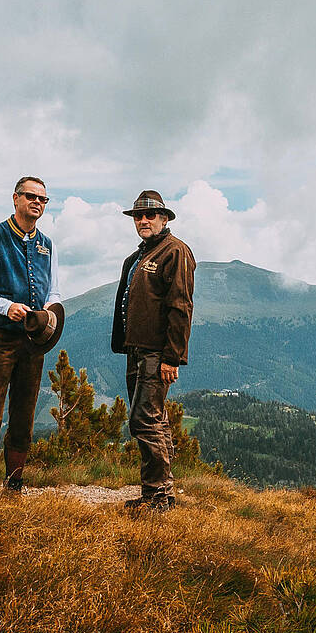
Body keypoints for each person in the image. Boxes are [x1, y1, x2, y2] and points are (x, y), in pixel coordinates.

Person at [0, 176, 62, 490]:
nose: (37, 202)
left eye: (43, 199)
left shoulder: (47, 245)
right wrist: (5, 307)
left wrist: (50, 313)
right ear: (16, 199)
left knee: (24, 413)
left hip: (34, 342)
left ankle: (14, 485)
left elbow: (55, 292)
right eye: (31, 196)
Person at [112, 190, 196, 512]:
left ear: (164, 218)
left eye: (149, 215)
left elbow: (180, 307)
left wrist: (172, 358)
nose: (143, 220)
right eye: (138, 216)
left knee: (143, 421)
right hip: (136, 351)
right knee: (153, 419)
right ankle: (157, 494)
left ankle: (159, 496)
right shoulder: (137, 257)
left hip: (156, 354)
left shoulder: (176, 252)